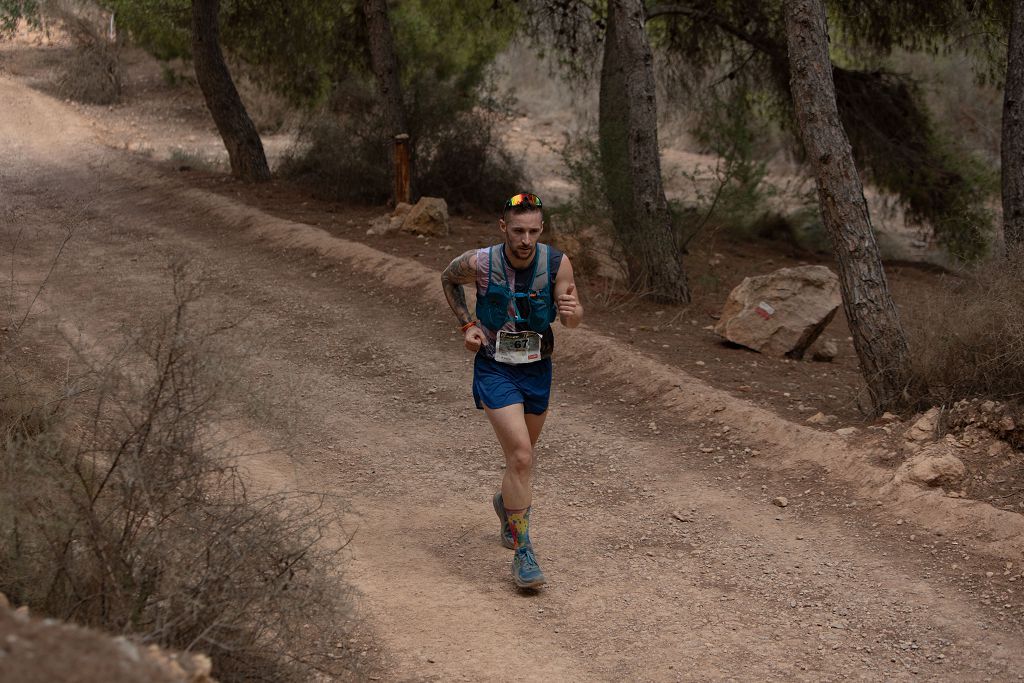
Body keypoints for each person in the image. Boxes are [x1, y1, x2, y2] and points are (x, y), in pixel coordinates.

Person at [441, 192, 582, 589]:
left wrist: (573, 315)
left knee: (523, 458)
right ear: (503, 227)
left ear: (542, 229)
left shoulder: (556, 263)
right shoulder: (481, 262)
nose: (525, 239)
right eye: (518, 230)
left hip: (538, 370)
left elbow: (573, 313)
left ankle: (507, 505)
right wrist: (466, 324)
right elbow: (448, 278)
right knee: (520, 456)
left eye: (533, 231)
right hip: (495, 367)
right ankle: (524, 553)